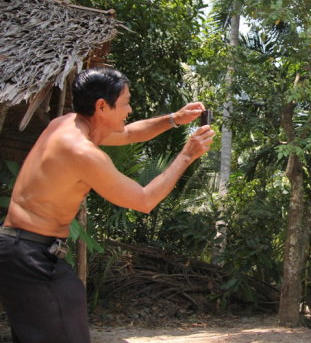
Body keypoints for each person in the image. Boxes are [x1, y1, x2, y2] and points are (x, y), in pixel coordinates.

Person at [0, 67, 215, 342]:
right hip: (30, 257)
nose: (129, 109)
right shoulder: (81, 151)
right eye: (125, 102)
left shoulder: (66, 124)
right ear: (102, 106)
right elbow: (144, 200)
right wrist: (187, 155)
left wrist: (174, 119)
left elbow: (127, 134)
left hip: (20, 251)